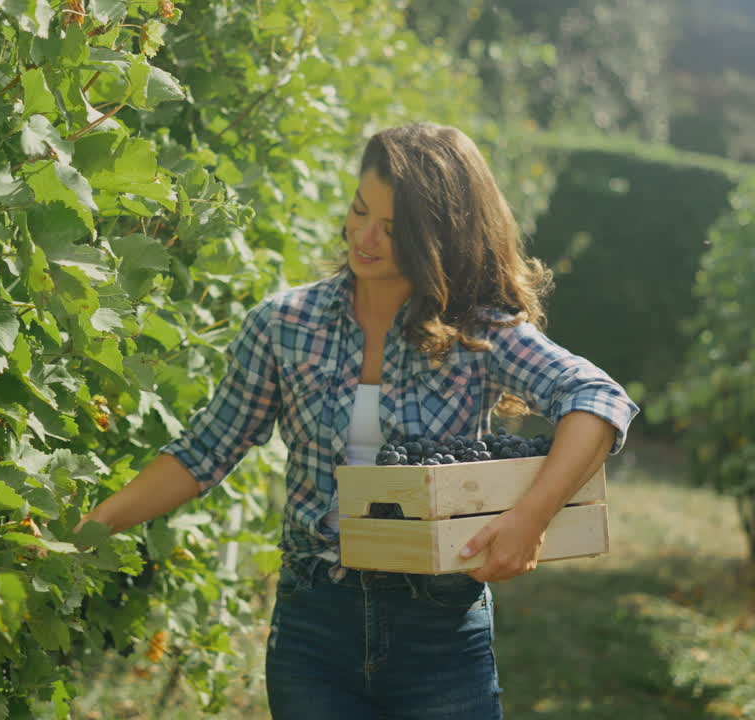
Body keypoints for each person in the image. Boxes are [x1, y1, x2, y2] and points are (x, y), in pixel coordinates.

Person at [76, 123, 639, 719]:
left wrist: (531, 518)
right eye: (359, 210)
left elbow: (598, 400)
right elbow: (203, 452)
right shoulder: (284, 325)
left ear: (437, 237)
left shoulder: (476, 332)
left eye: (393, 229)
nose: (365, 237)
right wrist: (94, 526)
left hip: (441, 629)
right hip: (314, 629)